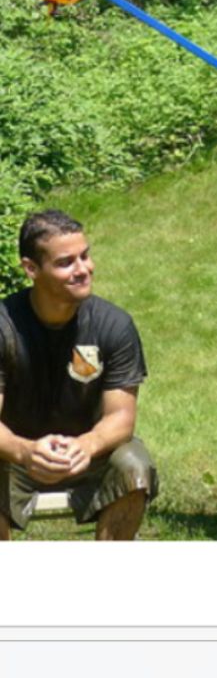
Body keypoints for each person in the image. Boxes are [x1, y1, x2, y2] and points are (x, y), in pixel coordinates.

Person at [0, 210, 158, 540]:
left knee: (134, 464)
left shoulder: (113, 325)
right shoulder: (4, 327)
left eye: (85, 256)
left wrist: (86, 446)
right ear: (31, 269)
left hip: (91, 457)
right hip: (13, 458)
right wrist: (25, 451)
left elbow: (121, 418)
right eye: (65, 262)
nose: (83, 269)